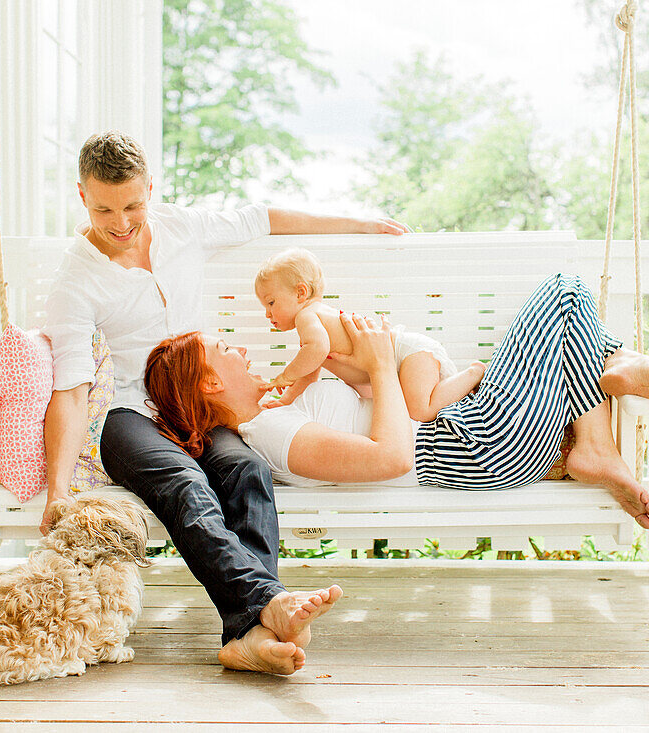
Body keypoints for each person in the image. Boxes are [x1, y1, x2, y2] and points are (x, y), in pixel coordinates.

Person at [40, 130, 410, 675]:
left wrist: (358, 223)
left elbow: (263, 218)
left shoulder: (182, 228)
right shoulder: (76, 279)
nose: (120, 222)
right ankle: (264, 610)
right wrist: (57, 491)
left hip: (197, 403)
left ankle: (246, 635)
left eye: (133, 205)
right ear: (81, 196)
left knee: (246, 470)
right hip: (129, 415)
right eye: (103, 210)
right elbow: (70, 390)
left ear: (150, 188)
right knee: (186, 484)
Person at [144, 274, 649, 528]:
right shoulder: (271, 436)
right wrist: (383, 362)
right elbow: (393, 458)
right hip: (472, 441)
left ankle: (607, 393)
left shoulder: (277, 408)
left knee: (572, 314)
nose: (239, 346)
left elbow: (367, 410)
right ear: (210, 384)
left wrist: (358, 362)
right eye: (223, 348)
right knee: (567, 293)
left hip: (474, 428)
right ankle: (610, 391)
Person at [255, 248, 486, 420]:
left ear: (300, 293)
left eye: (271, 302)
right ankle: (465, 389)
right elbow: (309, 373)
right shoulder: (312, 327)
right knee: (413, 408)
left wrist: (285, 376)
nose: (267, 314)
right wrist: (285, 400)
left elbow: (317, 350)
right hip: (403, 358)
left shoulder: (307, 317)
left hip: (408, 354)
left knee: (419, 410)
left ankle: (474, 373)